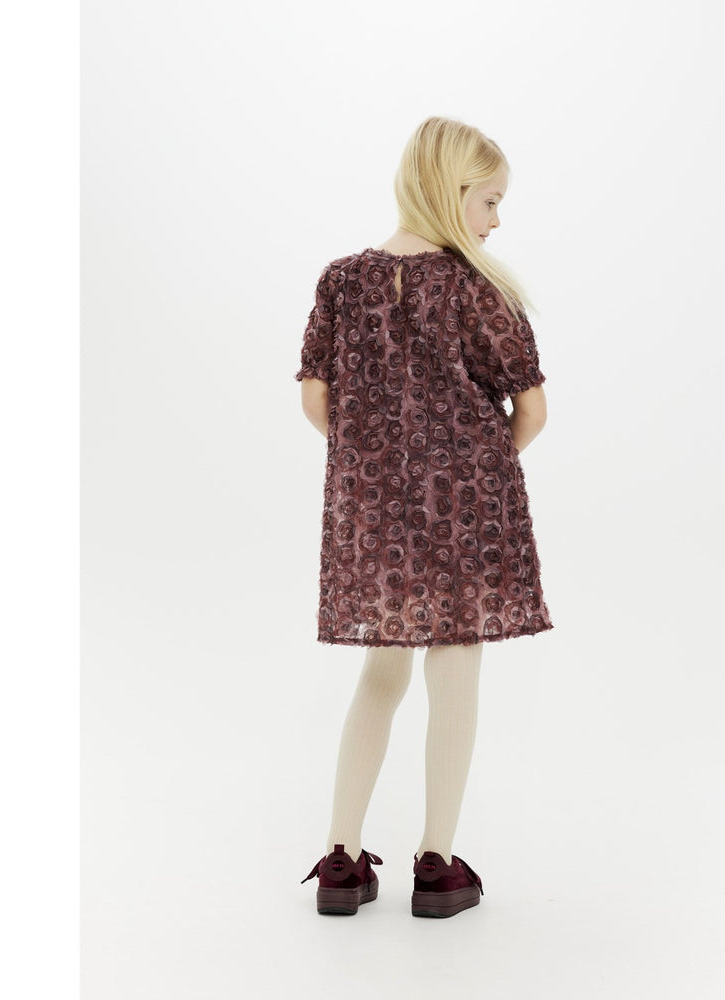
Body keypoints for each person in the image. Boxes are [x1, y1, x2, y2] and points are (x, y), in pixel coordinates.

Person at [296, 116, 553, 918]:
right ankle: (437, 864)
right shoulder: (479, 289)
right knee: (455, 669)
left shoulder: (342, 281)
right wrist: (477, 467)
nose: (497, 220)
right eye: (490, 200)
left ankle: (340, 860)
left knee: (381, 673)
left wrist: (379, 464)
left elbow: (316, 400)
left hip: (376, 513)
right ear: (451, 191)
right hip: (466, 510)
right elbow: (533, 410)